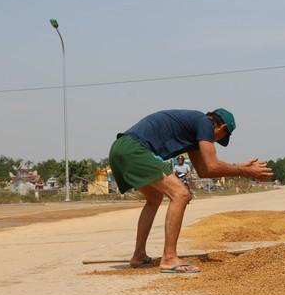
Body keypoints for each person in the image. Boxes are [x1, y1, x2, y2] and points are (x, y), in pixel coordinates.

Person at [109, 108, 273, 273]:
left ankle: (139, 255)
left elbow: (205, 170)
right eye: (218, 139)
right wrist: (247, 172)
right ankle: (169, 258)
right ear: (221, 128)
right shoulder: (204, 123)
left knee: (154, 197)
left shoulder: (193, 130)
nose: (213, 142)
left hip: (120, 148)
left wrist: (238, 168)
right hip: (134, 149)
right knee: (181, 194)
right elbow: (212, 164)